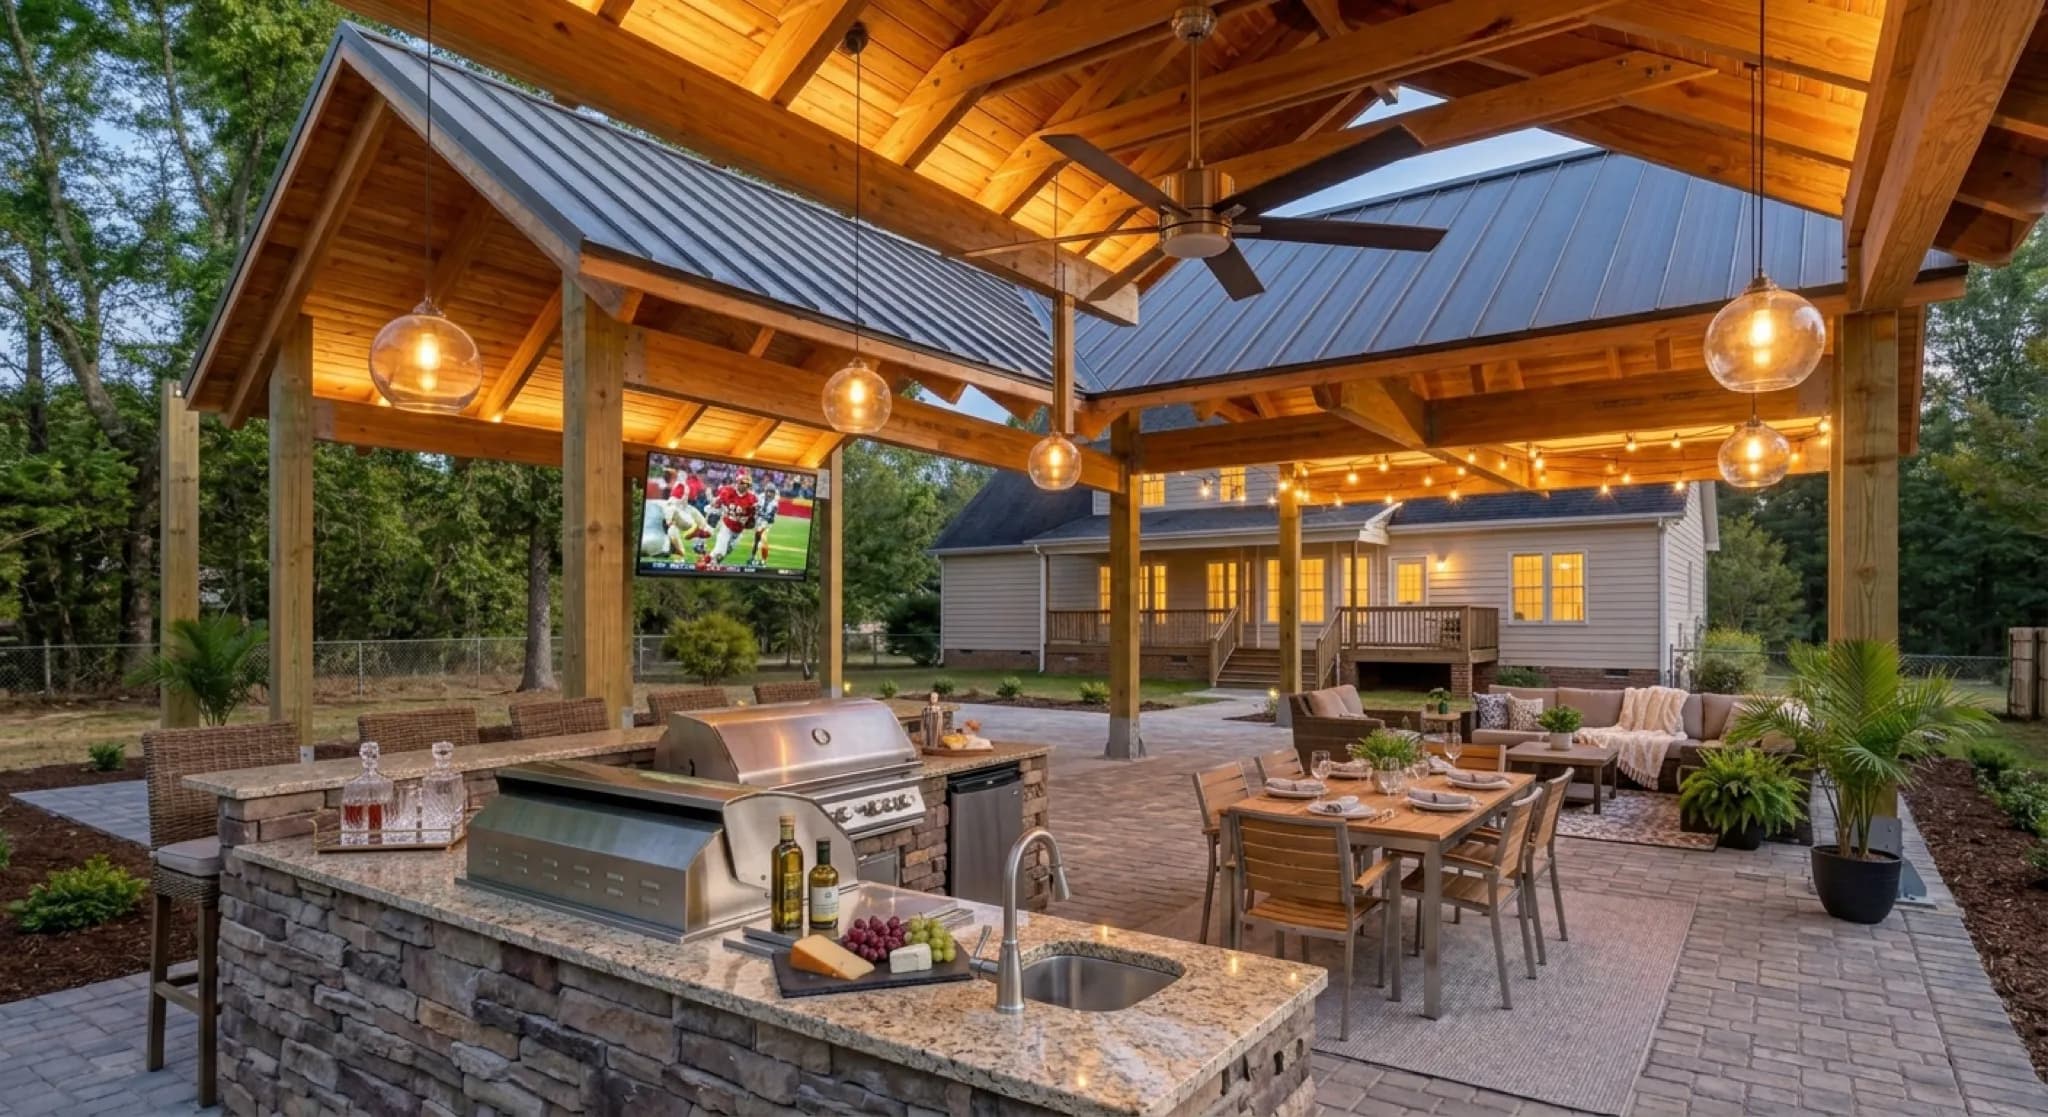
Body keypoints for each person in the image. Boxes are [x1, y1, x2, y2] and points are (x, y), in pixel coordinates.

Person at [708, 472, 761, 567]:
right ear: (737, 482)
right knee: (720, 551)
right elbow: (716, 503)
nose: (744, 486)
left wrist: (751, 520)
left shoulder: (752, 499)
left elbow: (753, 517)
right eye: (742, 483)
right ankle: (708, 566)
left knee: (726, 552)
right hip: (726, 526)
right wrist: (714, 504)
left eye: (747, 484)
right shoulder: (728, 492)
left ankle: (708, 561)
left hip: (738, 531)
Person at [748, 480, 780, 566]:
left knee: (763, 539)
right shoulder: (760, 497)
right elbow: (756, 508)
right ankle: (752, 557)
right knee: (756, 540)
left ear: (774, 493)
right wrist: (756, 511)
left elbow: (771, 518)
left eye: (771, 492)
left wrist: (761, 514)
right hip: (758, 522)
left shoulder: (775, 502)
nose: (769, 494)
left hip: (767, 523)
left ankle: (763, 560)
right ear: (765, 491)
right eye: (768, 491)